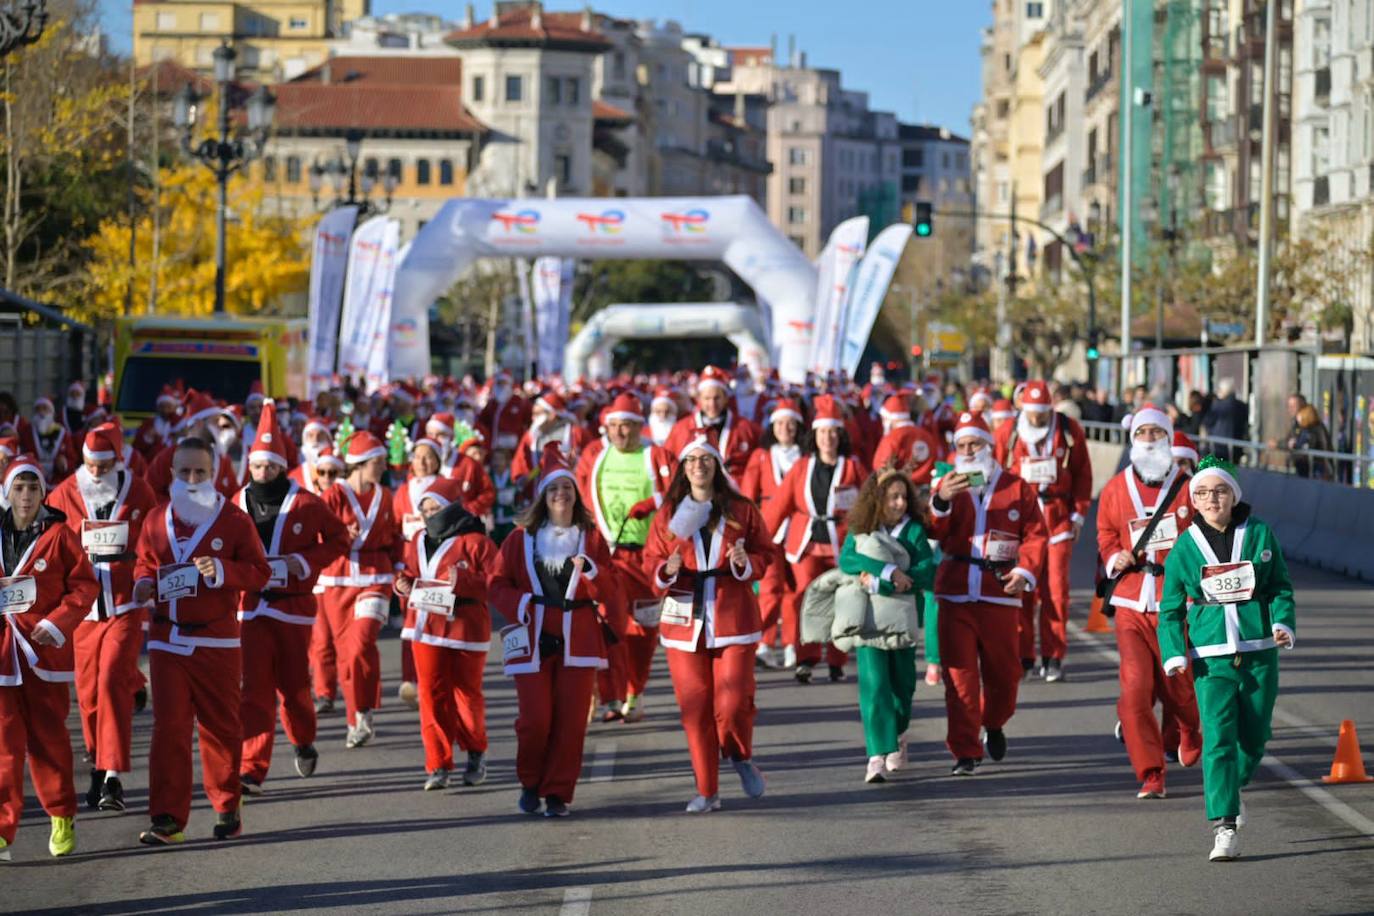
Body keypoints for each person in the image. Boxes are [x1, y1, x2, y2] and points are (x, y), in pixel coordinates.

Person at [131, 437, 271, 844]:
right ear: (171, 474)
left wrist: (224, 570)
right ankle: (168, 819)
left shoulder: (233, 520)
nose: (192, 479)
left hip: (217, 641)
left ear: (214, 475)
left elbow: (259, 572)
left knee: (220, 728)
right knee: (169, 728)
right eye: (184, 471)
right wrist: (142, 585)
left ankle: (227, 803)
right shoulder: (157, 519)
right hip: (166, 638)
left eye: (200, 472)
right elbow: (144, 563)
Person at [1158, 456, 1296, 862]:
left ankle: (1232, 791)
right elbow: (1170, 609)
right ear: (1194, 500)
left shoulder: (1259, 534)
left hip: (1257, 653)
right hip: (1211, 658)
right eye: (1201, 493)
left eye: (1218, 491)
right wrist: (1173, 653)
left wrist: (1282, 624)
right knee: (1217, 740)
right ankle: (1224, 824)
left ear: (1233, 496)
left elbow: (1279, 588)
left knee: (1254, 738)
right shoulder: (1184, 546)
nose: (1210, 499)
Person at [489, 445, 625, 817]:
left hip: (577, 640)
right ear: (543, 498)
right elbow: (497, 583)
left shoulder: (590, 538)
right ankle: (530, 781)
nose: (560, 495)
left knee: (570, 724)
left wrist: (593, 572)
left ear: (575, 494)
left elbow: (611, 587)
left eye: (566, 488)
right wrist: (522, 605)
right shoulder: (520, 539)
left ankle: (557, 794)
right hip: (532, 638)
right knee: (534, 721)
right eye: (553, 489)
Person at [644, 437, 772, 813]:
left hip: (732, 611)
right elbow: (650, 561)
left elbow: (767, 552)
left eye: (706, 459)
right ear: (683, 469)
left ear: (716, 466)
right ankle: (707, 790)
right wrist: (663, 571)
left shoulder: (740, 509)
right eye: (691, 460)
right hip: (684, 615)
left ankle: (739, 754)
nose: (699, 465)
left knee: (732, 703)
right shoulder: (669, 514)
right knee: (695, 706)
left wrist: (744, 561)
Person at [234, 402, 349, 794]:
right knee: (255, 689)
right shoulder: (236, 502)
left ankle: (302, 738)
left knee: (295, 687)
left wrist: (304, 561)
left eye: (269, 467)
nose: (262, 473)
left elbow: (339, 539)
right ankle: (252, 767)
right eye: (256, 467)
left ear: (282, 467)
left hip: (293, 609)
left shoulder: (306, 503)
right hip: (251, 609)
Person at [929, 411, 1047, 775]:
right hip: (956, 593)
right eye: (961, 445)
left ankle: (993, 722)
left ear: (989, 447)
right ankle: (965, 750)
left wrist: (1025, 572)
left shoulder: (1017, 487)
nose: (967, 450)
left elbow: (1036, 534)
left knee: (1004, 675)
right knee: (959, 678)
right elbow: (933, 532)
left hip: (999, 593)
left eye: (974, 443)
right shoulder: (947, 485)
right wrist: (940, 502)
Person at [47, 424, 157, 813]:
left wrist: (147, 578)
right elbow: (49, 549)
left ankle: (113, 776)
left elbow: (152, 544)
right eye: (91, 464)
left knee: (111, 682)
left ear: (117, 460)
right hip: (83, 612)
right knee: (89, 697)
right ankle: (97, 763)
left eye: (104, 464)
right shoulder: (62, 494)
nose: (96, 472)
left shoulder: (140, 492)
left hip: (125, 606)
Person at [1096, 406, 1203, 800]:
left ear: (1167, 438)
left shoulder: (1190, 487)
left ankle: (1190, 727)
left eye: (1156, 433)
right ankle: (1152, 771)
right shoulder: (1115, 488)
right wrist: (1113, 557)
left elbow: (1205, 539)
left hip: (1176, 605)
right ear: (1132, 441)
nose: (1149, 440)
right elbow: (1106, 534)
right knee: (1135, 689)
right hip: (1131, 603)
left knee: (1179, 687)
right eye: (1142, 433)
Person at [0, 455, 98, 861]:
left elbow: (84, 588)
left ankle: (61, 813)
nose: (25, 496)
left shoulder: (59, 535)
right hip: (3, 656)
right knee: (3, 745)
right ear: (7, 492)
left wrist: (58, 623)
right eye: (18, 488)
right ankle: (3, 828)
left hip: (42, 653)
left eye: (33, 488)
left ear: (43, 492)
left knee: (48, 741)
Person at [574, 392, 672, 723]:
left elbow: (676, 495)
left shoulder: (655, 455)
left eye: (627, 426)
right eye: (614, 426)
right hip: (608, 559)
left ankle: (635, 691)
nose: (620, 433)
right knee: (609, 627)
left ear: (639, 427)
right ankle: (609, 696)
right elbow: (580, 499)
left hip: (645, 560)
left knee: (643, 633)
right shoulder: (595, 456)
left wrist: (654, 504)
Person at [396, 478, 498, 791]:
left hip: (464, 628)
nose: (429, 514)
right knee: (430, 695)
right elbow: (409, 573)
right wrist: (400, 584)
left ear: (453, 507)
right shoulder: (416, 540)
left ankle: (476, 750)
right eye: (424, 509)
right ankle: (438, 764)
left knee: (466, 696)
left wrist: (465, 580)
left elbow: (498, 583)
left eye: (436, 507)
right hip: (425, 628)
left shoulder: (476, 542)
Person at [836, 470, 937, 784]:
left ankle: (899, 732)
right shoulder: (862, 529)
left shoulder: (915, 532)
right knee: (874, 685)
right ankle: (876, 755)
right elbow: (848, 560)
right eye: (892, 496)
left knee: (902, 686)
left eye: (903, 497)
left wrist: (894, 583)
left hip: (903, 618)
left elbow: (926, 571)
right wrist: (888, 570)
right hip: (869, 620)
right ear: (877, 499)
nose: (899, 503)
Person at [763, 395, 870, 684]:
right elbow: (780, 504)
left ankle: (837, 660)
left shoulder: (853, 467)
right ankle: (806, 659)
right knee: (806, 598)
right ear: (815, 434)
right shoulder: (801, 467)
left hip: (842, 544)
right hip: (806, 544)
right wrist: (758, 537)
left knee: (842, 601)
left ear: (840, 435)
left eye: (833, 432)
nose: (828, 438)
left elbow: (870, 505)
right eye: (822, 431)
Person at [995, 381, 1092, 682]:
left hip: (1057, 520)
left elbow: (1083, 474)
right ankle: (1024, 655)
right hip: (1020, 523)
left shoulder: (1068, 430)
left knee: (1055, 592)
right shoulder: (1007, 434)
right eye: (1032, 412)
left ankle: (1053, 656)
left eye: (1042, 412)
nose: (1037, 418)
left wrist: (1078, 515)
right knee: (1022, 588)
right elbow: (996, 474)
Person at [316, 432, 400, 749]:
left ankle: (364, 707)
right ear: (361, 464)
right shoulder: (333, 496)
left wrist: (401, 568)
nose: (383, 467)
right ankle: (357, 719)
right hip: (337, 580)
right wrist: (339, 536)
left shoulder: (385, 495)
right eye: (378, 462)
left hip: (376, 577)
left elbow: (392, 537)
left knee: (361, 642)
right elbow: (316, 538)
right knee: (347, 655)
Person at [739, 398, 804, 669]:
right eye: (780, 423)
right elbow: (747, 495)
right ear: (772, 426)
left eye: (790, 423)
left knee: (796, 590)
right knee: (769, 588)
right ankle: (764, 642)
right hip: (768, 529)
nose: (785, 428)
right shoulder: (762, 455)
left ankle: (792, 643)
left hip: (800, 530)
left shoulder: (805, 456)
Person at [664, 365, 761, 480]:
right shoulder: (680, 429)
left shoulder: (747, 429)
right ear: (699, 398)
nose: (712, 404)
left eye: (717, 398)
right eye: (707, 398)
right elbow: (669, 465)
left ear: (726, 398)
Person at [870, 393, 940, 486]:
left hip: (902, 491)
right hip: (926, 490)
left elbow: (880, 468)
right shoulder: (927, 436)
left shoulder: (891, 438)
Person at [1290, 404, 1334, 480]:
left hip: (1315, 468)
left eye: (1300, 414)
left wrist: (1296, 445)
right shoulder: (1305, 429)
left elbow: (1309, 445)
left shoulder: (1312, 430)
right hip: (1308, 466)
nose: (1298, 417)